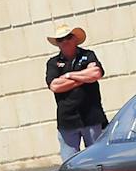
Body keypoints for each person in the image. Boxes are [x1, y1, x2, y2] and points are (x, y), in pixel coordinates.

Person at [44, 23, 106, 161]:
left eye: (68, 37)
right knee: (70, 162)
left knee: (98, 160)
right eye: (61, 39)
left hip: (91, 117)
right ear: (57, 44)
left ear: (75, 39)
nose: (65, 41)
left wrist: (68, 76)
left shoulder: (88, 55)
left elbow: (96, 73)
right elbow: (54, 85)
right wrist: (83, 77)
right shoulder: (53, 63)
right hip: (67, 120)